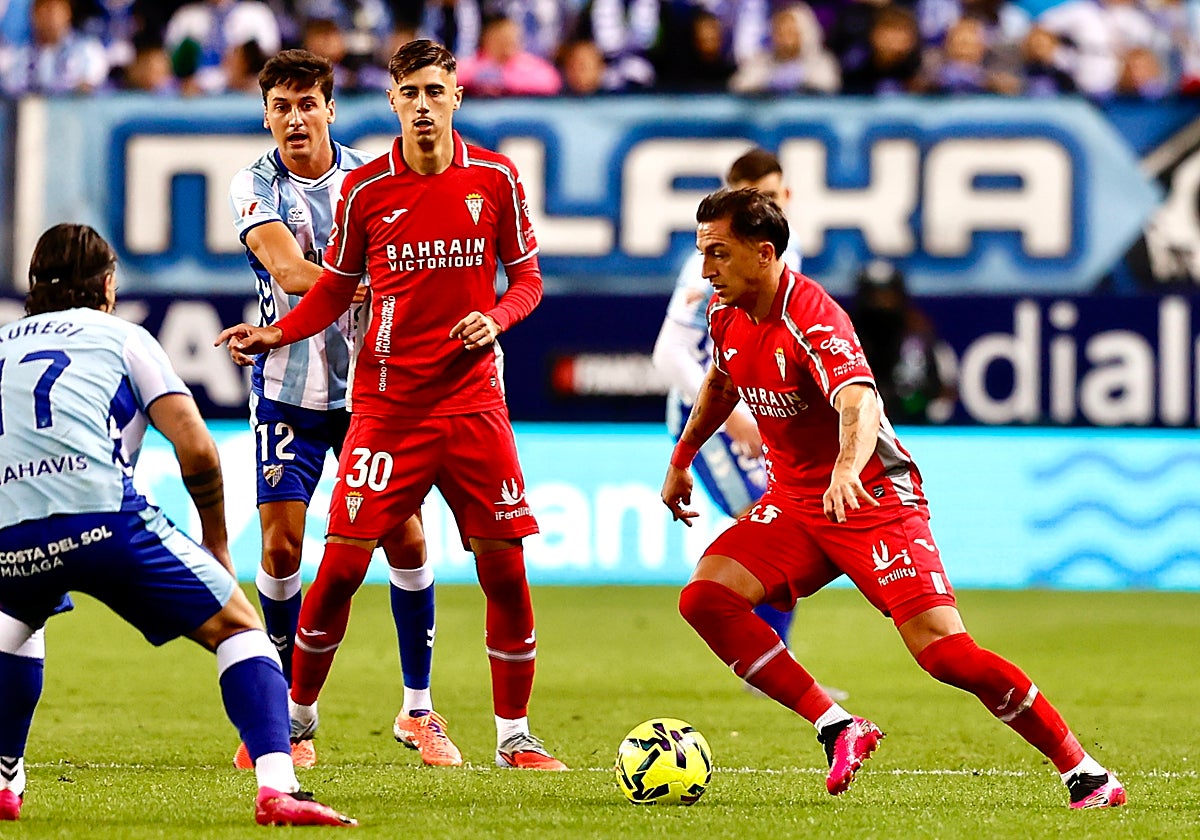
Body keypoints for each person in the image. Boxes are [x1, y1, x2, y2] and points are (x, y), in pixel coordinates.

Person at [660, 188, 1127, 810]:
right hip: (797, 503)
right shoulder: (726, 312)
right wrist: (681, 459)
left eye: (717, 253)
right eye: (702, 253)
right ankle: (839, 727)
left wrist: (846, 470)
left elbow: (860, 400)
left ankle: (1086, 773)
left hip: (873, 498)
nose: (705, 268)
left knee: (947, 655)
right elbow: (723, 381)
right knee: (707, 597)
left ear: (764, 253)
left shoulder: (813, 318)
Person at [216, 38, 565, 771]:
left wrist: (495, 320)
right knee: (335, 566)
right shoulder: (367, 191)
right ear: (393, 101)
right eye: (410, 94)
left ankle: (512, 737)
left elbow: (528, 280)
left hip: (474, 404)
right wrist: (276, 331)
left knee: (504, 569)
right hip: (385, 405)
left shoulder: (497, 180)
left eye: (436, 92)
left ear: (456, 97)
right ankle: (295, 722)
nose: (423, 106)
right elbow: (333, 288)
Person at [0, 223, 354, 827]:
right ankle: (278, 787)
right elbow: (196, 450)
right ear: (108, 284)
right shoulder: (124, 336)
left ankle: (6, 778)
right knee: (242, 628)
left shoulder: (4, 343)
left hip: (12, 532)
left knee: (19, 625)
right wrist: (215, 542)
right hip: (105, 520)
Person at [227, 48, 458, 769]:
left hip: (374, 395)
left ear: (330, 108)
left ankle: (418, 711)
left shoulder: (371, 176)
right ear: (267, 115)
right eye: (279, 107)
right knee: (281, 550)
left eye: (306, 104)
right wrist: (365, 272)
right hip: (289, 391)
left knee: (410, 544)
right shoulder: (254, 182)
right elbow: (291, 272)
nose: (294, 120)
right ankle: (284, 722)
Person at [652, 147, 847, 703]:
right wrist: (734, 416)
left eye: (781, 193)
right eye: (763, 196)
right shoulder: (706, 265)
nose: (777, 204)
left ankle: (773, 666)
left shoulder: (788, 252)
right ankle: (768, 667)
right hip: (715, 417)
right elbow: (669, 353)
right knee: (767, 526)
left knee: (778, 527)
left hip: (759, 410)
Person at [849, 259, 954, 425]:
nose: (882, 303)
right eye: (874, 296)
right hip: (859, 425)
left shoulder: (917, 334)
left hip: (912, 427)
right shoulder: (846, 334)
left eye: (888, 295)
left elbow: (943, 391)